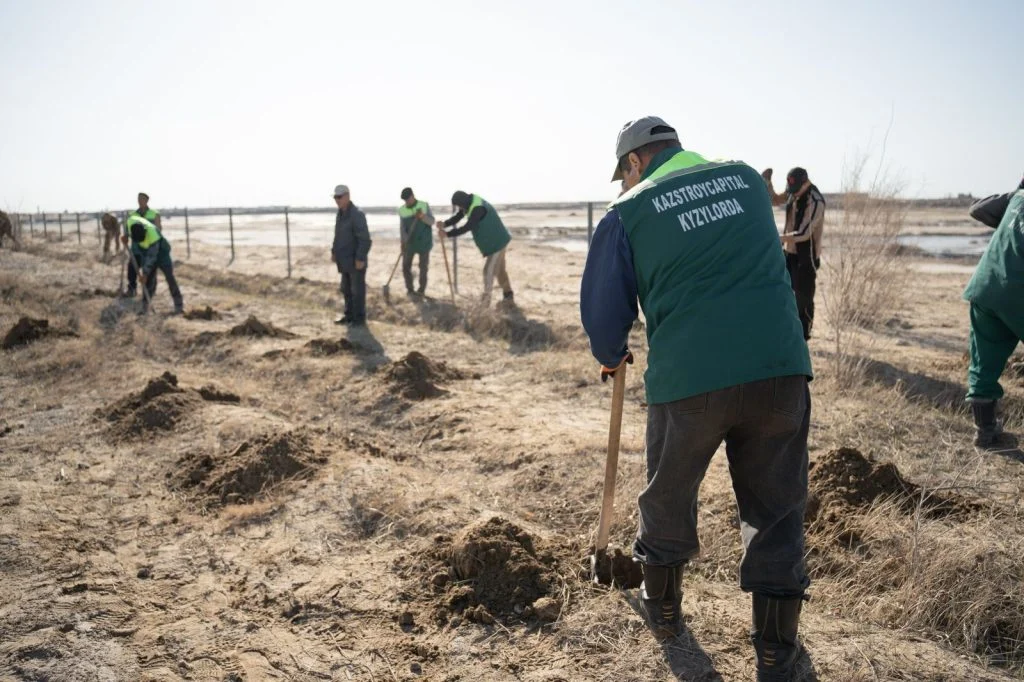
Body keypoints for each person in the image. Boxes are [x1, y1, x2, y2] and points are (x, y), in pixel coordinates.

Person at [580, 116, 813, 680]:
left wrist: (611, 354)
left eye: (625, 173)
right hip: (779, 369)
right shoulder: (746, 180)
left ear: (635, 161)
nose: (626, 183)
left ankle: (663, 613)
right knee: (777, 509)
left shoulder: (626, 212)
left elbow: (604, 311)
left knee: (669, 492)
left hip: (689, 378)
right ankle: (775, 650)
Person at [962, 174, 1024, 448]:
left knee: (983, 363)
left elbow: (978, 209)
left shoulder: (1016, 199)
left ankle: (985, 430)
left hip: (987, 287)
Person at [762, 167, 825, 340]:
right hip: (789, 253)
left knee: (804, 299)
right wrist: (767, 183)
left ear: (805, 183)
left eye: (796, 190)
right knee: (783, 292)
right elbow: (776, 200)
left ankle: (804, 337)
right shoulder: (793, 192)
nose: (793, 194)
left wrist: (777, 238)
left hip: (806, 257)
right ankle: (786, 331)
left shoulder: (815, 200)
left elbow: (804, 233)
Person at [435, 191, 514, 306]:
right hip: (498, 240)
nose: (460, 208)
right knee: (499, 270)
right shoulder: (470, 203)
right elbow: (458, 216)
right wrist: (445, 224)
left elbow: (467, 227)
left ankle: (486, 301)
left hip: (497, 242)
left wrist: (447, 234)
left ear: (462, 202)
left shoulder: (477, 208)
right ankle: (508, 294)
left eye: (459, 206)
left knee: (488, 270)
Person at [125, 213, 183, 315]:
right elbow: (127, 227)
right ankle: (145, 307)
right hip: (145, 252)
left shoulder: (153, 235)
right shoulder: (131, 221)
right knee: (148, 282)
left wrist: (145, 273)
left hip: (161, 254)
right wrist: (125, 236)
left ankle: (179, 306)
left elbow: (151, 257)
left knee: (169, 277)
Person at [331, 185, 371, 326]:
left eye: (339, 197)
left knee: (357, 291)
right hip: (344, 260)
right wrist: (334, 251)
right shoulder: (340, 214)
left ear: (347, 196)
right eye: (335, 197)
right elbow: (338, 235)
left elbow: (365, 239)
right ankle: (348, 316)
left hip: (355, 261)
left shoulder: (357, 214)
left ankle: (359, 319)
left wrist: (360, 258)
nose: (337, 200)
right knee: (346, 289)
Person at [121, 192, 162, 298]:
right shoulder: (133, 215)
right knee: (132, 268)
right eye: (138, 199)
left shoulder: (154, 214)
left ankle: (149, 292)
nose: (140, 201)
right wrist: (126, 236)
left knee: (149, 271)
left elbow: (158, 231)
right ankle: (132, 289)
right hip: (136, 248)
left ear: (147, 200)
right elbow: (128, 228)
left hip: (150, 249)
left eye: (142, 199)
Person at [398, 187, 433, 297]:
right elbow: (402, 228)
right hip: (409, 243)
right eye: (405, 201)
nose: (407, 202)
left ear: (413, 196)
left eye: (408, 199)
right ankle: (410, 289)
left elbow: (432, 221)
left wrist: (423, 216)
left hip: (424, 242)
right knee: (405, 266)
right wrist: (403, 242)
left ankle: (421, 290)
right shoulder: (402, 210)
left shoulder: (424, 205)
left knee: (423, 267)